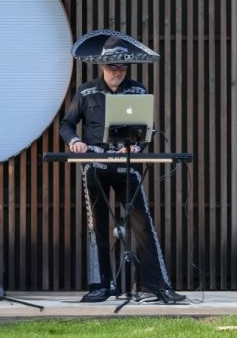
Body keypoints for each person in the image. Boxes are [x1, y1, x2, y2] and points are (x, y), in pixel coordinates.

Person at [60, 30, 185, 304]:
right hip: (94, 162)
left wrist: (137, 146)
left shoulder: (137, 90)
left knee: (142, 222)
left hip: (127, 164)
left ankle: (156, 285)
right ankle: (101, 285)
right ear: (102, 66)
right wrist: (76, 141)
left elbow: (147, 129)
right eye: (113, 66)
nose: (118, 71)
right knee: (97, 224)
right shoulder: (86, 91)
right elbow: (66, 124)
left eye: (122, 66)